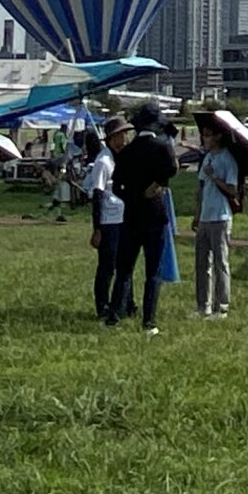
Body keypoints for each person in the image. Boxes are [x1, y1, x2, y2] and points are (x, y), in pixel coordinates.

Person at [108, 104, 177, 334]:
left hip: (131, 215)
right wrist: (158, 184)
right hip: (155, 215)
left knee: (124, 269)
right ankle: (149, 321)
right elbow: (172, 168)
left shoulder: (127, 151)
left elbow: (116, 185)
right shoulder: (162, 146)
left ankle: (114, 316)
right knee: (152, 272)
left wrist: (132, 196)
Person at [193, 116, 245, 319]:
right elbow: (200, 188)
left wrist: (215, 177)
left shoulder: (227, 159)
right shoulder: (207, 157)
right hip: (205, 216)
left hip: (221, 216)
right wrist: (197, 215)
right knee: (201, 263)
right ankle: (202, 305)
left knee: (220, 262)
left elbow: (232, 189)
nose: (204, 138)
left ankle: (221, 305)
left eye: (207, 135)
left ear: (218, 136)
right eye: (203, 135)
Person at [85, 122, 135, 322]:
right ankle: (103, 305)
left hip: (123, 218)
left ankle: (126, 303)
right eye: (122, 135)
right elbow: (97, 195)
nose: (126, 138)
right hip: (109, 220)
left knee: (125, 264)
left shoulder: (122, 158)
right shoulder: (103, 162)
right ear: (113, 138)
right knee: (107, 266)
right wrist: (97, 228)